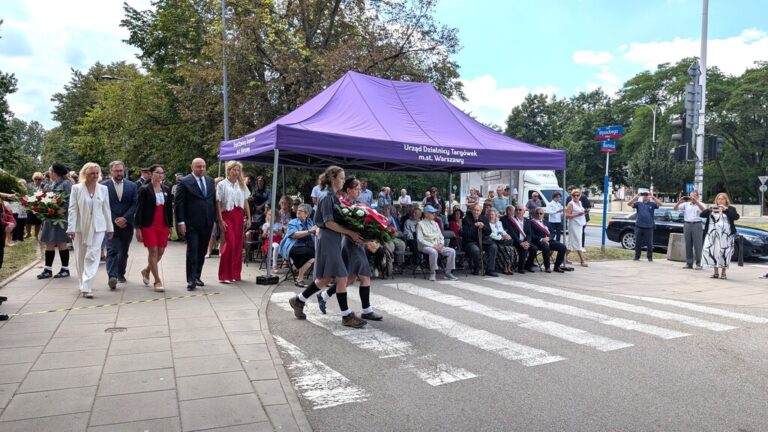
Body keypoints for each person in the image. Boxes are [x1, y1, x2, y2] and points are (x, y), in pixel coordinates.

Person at [288, 166, 367, 328]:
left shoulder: (332, 196)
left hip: (332, 238)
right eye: (341, 178)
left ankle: (299, 300)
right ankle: (346, 315)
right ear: (332, 178)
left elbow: (334, 223)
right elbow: (328, 222)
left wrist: (350, 233)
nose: (343, 181)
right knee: (342, 275)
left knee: (325, 278)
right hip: (327, 238)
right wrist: (350, 233)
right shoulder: (326, 196)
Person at [317, 177, 384, 321]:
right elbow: (342, 226)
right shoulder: (342, 204)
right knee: (363, 276)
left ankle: (324, 295)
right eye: (356, 189)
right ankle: (366, 310)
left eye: (360, 189)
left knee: (350, 279)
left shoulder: (359, 204)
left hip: (357, 243)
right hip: (349, 243)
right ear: (348, 189)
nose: (359, 191)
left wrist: (368, 237)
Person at [66, 163, 114, 298]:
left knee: (92, 254)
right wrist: (71, 228)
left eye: (97, 173)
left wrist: (110, 228)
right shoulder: (76, 188)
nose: (95, 176)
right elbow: (73, 209)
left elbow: (106, 209)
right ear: (85, 174)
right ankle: (82, 282)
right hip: (80, 227)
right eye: (92, 173)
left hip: (98, 227)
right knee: (80, 256)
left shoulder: (103, 189)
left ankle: (87, 285)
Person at [175, 158, 216, 291]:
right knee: (192, 250)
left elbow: (212, 201)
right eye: (198, 167)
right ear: (192, 167)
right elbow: (179, 203)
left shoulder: (210, 181)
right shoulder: (184, 182)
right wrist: (180, 222)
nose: (201, 169)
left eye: (203, 166)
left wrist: (215, 219)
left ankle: (197, 275)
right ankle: (191, 279)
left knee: (202, 250)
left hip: (207, 222)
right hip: (191, 223)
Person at [134, 164, 173, 292]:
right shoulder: (144, 189)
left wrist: (170, 226)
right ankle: (157, 280)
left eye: (162, 173)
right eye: (157, 172)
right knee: (153, 252)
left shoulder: (166, 189)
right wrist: (138, 228)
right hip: (149, 225)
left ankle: (146, 270)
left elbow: (169, 210)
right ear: (151, 174)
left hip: (163, 225)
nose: (160, 175)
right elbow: (139, 210)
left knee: (160, 252)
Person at [102, 160, 138, 289]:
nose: (119, 173)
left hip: (127, 224)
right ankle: (112, 276)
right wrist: (115, 219)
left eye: (121, 170)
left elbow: (135, 204)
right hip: (110, 224)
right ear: (111, 171)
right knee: (111, 250)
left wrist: (125, 218)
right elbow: (103, 205)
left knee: (123, 250)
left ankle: (120, 273)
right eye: (116, 171)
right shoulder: (103, 186)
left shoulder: (132, 186)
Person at [216, 161, 251, 283]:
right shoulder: (222, 184)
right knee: (230, 243)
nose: (236, 172)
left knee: (237, 245)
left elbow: (246, 201)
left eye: (238, 170)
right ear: (229, 170)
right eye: (234, 170)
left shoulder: (242, 185)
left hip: (239, 215)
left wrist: (249, 217)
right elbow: (218, 203)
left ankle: (235, 274)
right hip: (227, 215)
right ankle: (224, 275)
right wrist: (220, 219)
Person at [38, 163, 73, 279]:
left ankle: (65, 269)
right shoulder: (50, 184)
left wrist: (60, 210)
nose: (49, 173)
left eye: (50, 171)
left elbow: (70, 201)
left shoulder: (66, 184)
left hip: (60, 219)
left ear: (55, 172)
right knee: (49, 242)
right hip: (49, 218)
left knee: (62, 243)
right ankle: (47, 269)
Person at [701, 193, 739, 280]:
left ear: (726, 200)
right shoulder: (713, 208)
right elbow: (702, 215)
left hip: (726, 235)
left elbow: (736, 217)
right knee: (714, 252)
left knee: (724, 253)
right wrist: (709, 209)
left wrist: (726, 210)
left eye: (722, 199)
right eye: (719, 199)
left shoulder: (731, 209)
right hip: (713, 234)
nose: (720, 200)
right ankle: (715, 272)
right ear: (716, 200)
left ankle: (724, 273)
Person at [417, 205, 459, 281]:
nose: (434, 214)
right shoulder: (420, 224)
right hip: (425, 246)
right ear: (426, 214)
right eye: (432, 213)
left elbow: (441, 236)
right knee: (433, 251)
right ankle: (432, 272)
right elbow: (420, 240)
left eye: (434, 212)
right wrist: (433, 246)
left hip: (437, 245)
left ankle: (448, 272)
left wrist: (441, 244)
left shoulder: (435, 223)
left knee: (452, 251)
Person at [278, 203, 317, 287]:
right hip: (293, 246)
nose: (298, 211)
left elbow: (314, 233)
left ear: (306, 214)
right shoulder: (293, 222)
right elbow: (294, 235)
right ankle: (299, 278)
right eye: (297, 210)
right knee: (312, 254)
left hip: (306, 246)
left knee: (318, 253)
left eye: (300, 210)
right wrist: (309, 231)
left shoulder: (309, 222)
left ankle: (322, 279)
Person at [461, 204, 498, 277]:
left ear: (480, 211)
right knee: (476, 250)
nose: (476, 212)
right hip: (470, 242)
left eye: (478, 210)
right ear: (472, 211)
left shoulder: (484, 218)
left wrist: (483, 226)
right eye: (474, 210)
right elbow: (466, 234)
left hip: (482, 240)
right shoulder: (466, 219)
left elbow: (489, 231)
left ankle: (490, 270)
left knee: (493, 247)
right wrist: (475, 226)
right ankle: (476, 269)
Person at [531, 207, 568, 273]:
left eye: (541, 213)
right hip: (538, 242)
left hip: (549, 240)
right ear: (534, 214)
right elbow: (531, 235)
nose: (539, 215)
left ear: (543, 214)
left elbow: (553, 232)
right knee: (546, 246)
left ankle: (557, 266)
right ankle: (547, 267)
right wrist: (542, 239)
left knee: (563, 247)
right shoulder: (531, 223)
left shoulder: (546, 222)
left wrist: (549, 238)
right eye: (537, 213)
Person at [502, 205, 538, 273]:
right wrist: (520, 242)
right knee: (523, 248)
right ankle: (520, 268)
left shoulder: (527, 221)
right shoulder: (511, 220)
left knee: (534, 248)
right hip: (516, 241)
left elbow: (529, 234)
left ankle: (528, 265)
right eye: (516, 210)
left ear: (524, 212)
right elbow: (512, 233)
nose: (518, 211)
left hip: (525, 241)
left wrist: (527, 242)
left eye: (520, 210)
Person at [628, 190, 661, 262]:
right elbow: (629, 204)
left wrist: (653, 197)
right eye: (644, 196)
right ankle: (637, 257)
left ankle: (650, 257)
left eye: (647, 196)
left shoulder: (652, 204)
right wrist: (636, 197)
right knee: (638, 243)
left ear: (649, 197)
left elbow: (660, 204)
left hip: (649, 227)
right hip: (639, 226)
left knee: (649, 243)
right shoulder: (638, 204)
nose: (645, 197)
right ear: (642, 197)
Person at [674, 191, 705, 270]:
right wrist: (679, 202)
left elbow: (704, 211)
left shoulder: (701, 204)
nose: (692, 198)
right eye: (691, 196)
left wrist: (697, 202)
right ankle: (689, 263)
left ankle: (699, 263)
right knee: (688, 244)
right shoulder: (686, 205)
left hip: (697, 224)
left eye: (694, 196)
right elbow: (675, 209)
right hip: (687, 224)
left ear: (697, 197)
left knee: (698, 245)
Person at [487, 208, 515, 275]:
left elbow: (502, 231)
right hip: (494, 240)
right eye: (490, 214)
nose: (491, 216)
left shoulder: (499, 223)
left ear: (495, 215)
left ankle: (509, 266)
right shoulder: (487, 224)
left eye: (492, 214)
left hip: (502, 240)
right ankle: (504, 267)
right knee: (504, 249)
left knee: (511, 249)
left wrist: (507, 235)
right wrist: (501, 238)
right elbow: (491, 234)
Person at [565, 189, 589, 267]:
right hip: (573, 225)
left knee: (571, 243)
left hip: (579, 225)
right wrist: (578, 214)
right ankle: (582, 260)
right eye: (574, 195)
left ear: (580, 196)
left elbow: (581, 212)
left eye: (577, 195)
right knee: (578, 242)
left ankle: (563, 257)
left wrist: (585, 212)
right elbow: (567, 216)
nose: (576, 197)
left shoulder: (580, 203)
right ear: (571, 196)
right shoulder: (570, 204)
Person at [25, 171, 45, 240]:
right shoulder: (29, 186)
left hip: (39, 206)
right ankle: (28, 233)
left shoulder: (43, 186)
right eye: (35, 179)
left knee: (38, 222)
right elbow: (26, 195)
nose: (37, 181)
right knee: (28, 221)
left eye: (39, 179)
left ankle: (36, 235)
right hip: (30, 205)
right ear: (33, 179)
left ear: (42, 180)